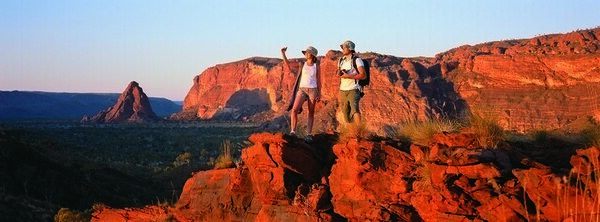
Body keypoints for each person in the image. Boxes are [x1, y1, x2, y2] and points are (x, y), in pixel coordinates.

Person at [281, 46, 322, 142]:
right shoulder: (302, 64)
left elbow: (319, 80)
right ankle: (293, 132)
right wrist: (283, 53)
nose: (306, 54)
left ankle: (308, 134)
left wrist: (319, 93)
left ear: (312, 55)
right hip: (302, 89)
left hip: (313, 90)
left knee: (310, 112)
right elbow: (288, 64)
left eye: (308, 52)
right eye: (306, 52)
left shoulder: (317, 66)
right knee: (295, 109)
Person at [337, 40, 366, 126]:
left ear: (350, 48)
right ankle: (351, 130)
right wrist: (339, 73)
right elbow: (338, 73)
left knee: (354, 109)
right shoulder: (341, 60)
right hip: (343, 90)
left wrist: (348, 76)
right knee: (345, 113)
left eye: (344, 47)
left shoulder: (357, 60)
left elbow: (363, 75)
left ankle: (358, 130)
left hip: (354, 88)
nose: (343, 49)